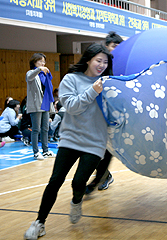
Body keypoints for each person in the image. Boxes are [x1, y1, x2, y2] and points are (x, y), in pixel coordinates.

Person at [23, 43, 113, 240]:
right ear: (88, 59)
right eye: (98, 60)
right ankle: (39, 223)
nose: (102, 65)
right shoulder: (71, 79)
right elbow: (71, 106)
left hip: (96, 141)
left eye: (105, 62)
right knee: (55, 180)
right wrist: (93, 90)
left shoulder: (109, 82)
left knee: (79, 182)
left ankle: (77, 199)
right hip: (71, 138)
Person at [85, 31, 124, 194]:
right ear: (106, 47)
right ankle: (103, 175)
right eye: (114, 46)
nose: (117, 50)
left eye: (119, 47)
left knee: (106, 149)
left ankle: (100, 178)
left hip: (110, 115)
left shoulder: (120, 65)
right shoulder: (99, 65)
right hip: (94, 114)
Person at [26, 53, 56, 160]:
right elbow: (30, 76)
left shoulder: (45, 75)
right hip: (36, 105)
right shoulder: (31, 73)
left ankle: (46, 150)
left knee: (45, 128)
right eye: (40, 61)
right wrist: (39, 69)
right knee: (36, 129)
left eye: (44, 61)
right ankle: (35, 152)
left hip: (45, 104)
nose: (43, 63)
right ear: (34, 62)